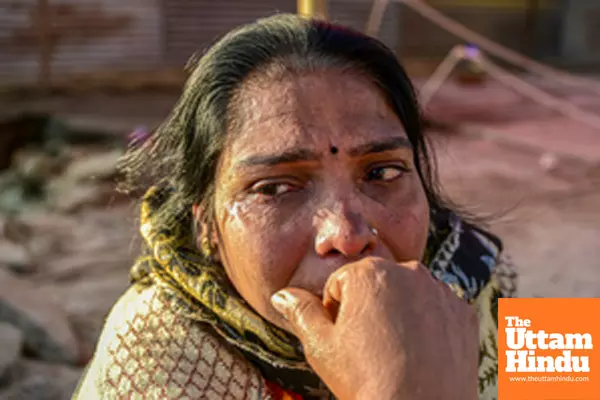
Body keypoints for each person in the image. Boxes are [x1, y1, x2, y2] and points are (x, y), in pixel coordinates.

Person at [72, 14, 517, 400]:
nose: (346, 233)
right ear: (205, 223)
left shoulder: (475, 270)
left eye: (382, 173)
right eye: (276, 189)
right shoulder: (155, 354)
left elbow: (572, 379)